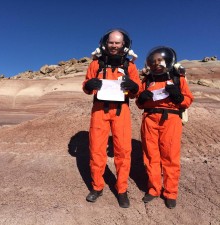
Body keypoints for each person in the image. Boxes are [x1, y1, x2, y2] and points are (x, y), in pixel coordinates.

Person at [82, 28, 141, 208]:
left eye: (117, 43)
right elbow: (86, 85)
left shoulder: (129, 66)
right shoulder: (96, 64)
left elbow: (136, 90)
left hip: (121, 111)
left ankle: (121, 189)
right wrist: (89, 85)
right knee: (96, 150)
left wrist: (133, 87)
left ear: (124, 44)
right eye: (111, 42)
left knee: (123, 151)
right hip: (99, 111)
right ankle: (97, 186)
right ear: (105, 43)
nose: (114, 46)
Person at [136, 46, 194, 209]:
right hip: (150, 119)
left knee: (170, 156)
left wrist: (177, 95)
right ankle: (154, 189)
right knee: (150, 156)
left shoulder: (178, 78)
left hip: (171, 120)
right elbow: (139, 104)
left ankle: (170, 192)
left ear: (167, 61)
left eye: (160, 60)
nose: (157, 64)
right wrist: (142, 98)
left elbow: (188, 100)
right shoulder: (147, 80)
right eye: (153, 61)